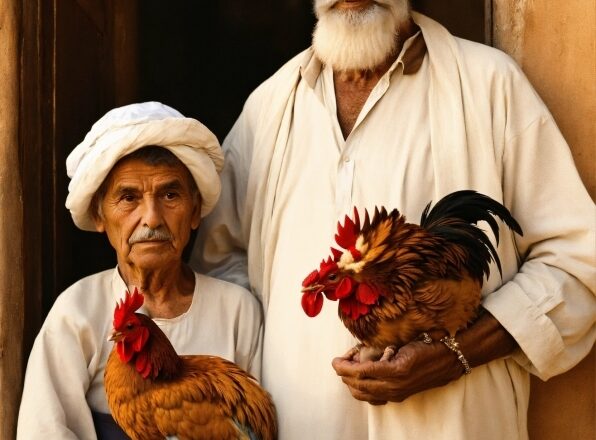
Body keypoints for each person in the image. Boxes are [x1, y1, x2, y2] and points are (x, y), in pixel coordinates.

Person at [191, 1, 596, 439]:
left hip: (452, 424)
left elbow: (578, 261)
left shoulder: (489, 85)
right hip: (301, 427)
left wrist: (455, 353)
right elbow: (219, 272)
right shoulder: (268, 109)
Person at [17, 102, 264, 439]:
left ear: (195, 212)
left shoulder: (237, 311)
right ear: (101, 216)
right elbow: (44, 430)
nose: (151, 218)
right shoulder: (76, 312)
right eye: (129, 197)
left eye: (170, 194)